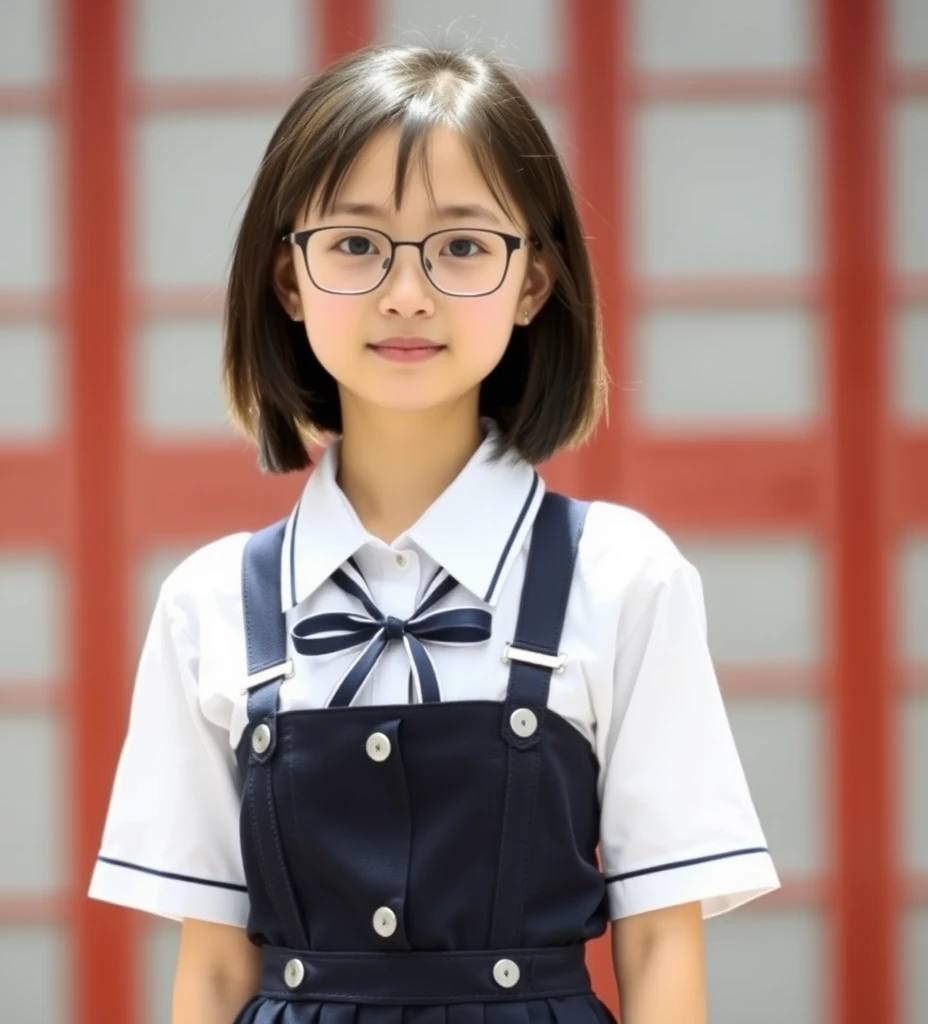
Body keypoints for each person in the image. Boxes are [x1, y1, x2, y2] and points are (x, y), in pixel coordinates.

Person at [88, 43, 779, 1024]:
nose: (405, 293)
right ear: (288, 279)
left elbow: (662, 941)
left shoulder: (625, 578)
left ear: (533, 280)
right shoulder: (209, 602)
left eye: (460, 246)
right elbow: (208, 968)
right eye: (356, 244)